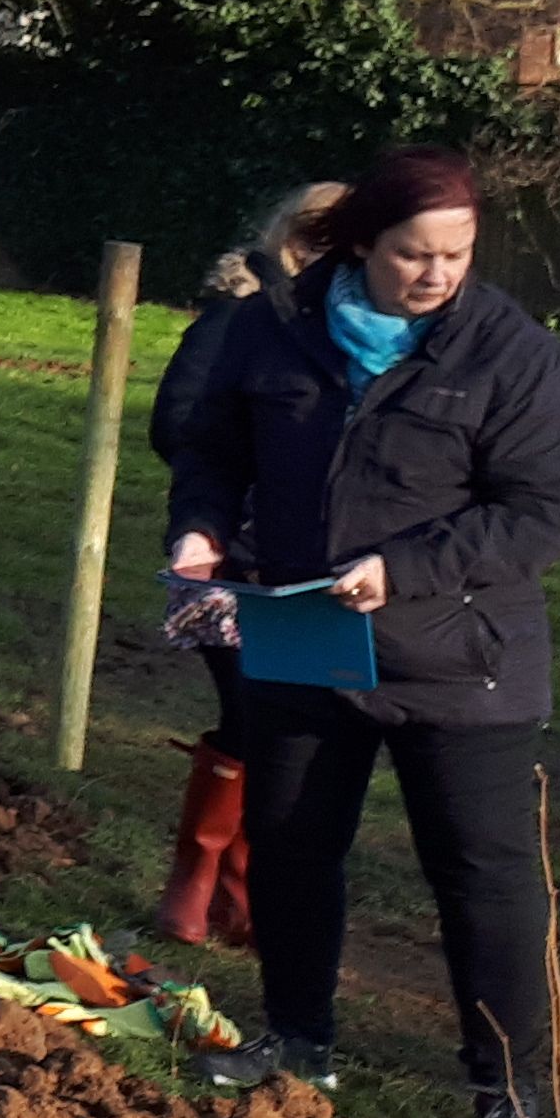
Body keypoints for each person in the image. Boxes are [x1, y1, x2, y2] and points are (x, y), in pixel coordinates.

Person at [162, 146, 560, 1118]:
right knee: (294, 843)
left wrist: (407, 569)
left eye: (459, 253)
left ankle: (509, 1102)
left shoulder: (514, 356)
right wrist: (201, 528)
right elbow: (210, 448)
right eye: (414, 254)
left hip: (463, 656)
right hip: (304, 632)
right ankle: (297, 1043)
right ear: (361, 244)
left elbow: (548, 510)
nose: (439, 274)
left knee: (483, 879)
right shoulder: (272, 330)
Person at [144, 180, 345, 947]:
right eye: (323, 238)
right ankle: (204, 885)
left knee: (287, 717)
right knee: (253, 710)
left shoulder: (342, 329)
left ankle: (233, 891)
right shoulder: (240, 317)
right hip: (237, 554)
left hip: (312, 562)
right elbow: (180, 423)